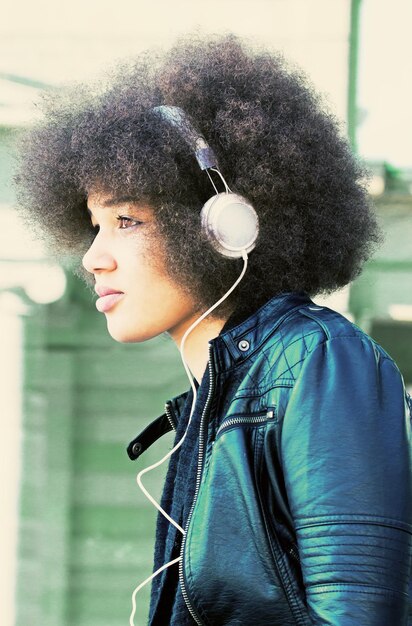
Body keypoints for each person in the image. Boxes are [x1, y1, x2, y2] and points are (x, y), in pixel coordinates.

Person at [15, 33, 412, 626]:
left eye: (126, 220)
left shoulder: (319, 361)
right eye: (94, 226)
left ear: (226, 227)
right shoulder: (215, 397)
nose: (94, 257)